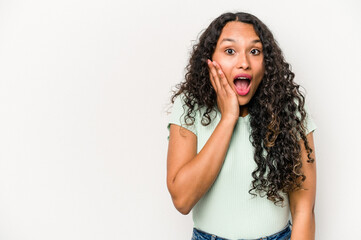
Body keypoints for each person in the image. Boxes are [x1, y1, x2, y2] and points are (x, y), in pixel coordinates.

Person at [166, 12, 317, 240]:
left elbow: (303, 210)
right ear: (209, 60)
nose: (244, 62)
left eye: (255, 51)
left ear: (266, 63)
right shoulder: (189, 106)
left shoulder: (288, 109)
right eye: (230, 51)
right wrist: (229, 118)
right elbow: (182, 200)